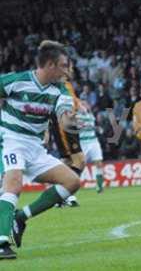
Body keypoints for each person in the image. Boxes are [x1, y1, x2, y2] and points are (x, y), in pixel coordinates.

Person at [0, 40, 81, 259]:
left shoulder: (60, 91)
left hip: (35, 148)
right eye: (64, 65)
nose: (67, 71)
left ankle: (20, 217)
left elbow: (64, 117)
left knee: (72, 182)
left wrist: (70, 122)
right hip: (10, 140)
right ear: (50, 65)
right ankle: (1, 242)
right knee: (13, 185)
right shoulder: (16, 81)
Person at [49, 61, 85, 207]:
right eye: (67, 68)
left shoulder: (67, 85)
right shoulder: (57, 86)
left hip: (70, 125)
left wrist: (77, 114)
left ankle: (59, 195)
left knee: (68, 161)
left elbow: (72, 104)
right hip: (63, 126)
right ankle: (65, 194)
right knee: (79, 160)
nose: (70, 70)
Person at [77, 101, 104, 193]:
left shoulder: (91, 115)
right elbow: (79, 127)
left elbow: (92, 126)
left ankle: (99, 187)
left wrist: (98, 128)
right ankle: (73, 185)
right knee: (80, 166)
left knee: (99, 163)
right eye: (82, 104)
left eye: (86, 104)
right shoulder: (77, 116)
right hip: (83, 143)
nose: (84, 106)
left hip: (94, 142)